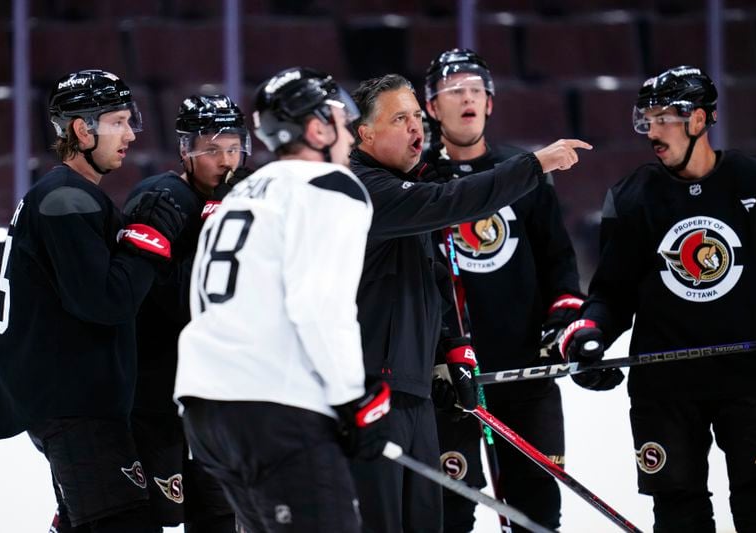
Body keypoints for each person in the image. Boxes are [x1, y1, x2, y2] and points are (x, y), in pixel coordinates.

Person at [349, 72, 591, 533]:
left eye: (416, 117)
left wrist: (451, 345)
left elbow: (430, 277)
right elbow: (450, 201)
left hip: (414, 388)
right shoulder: (363, 188)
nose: (416, 128)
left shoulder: (402, 184)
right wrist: (534, 165)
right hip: (376, 392)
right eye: (400, 119)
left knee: (428, 521)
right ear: (365, 133)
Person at [559, 65, 756, 532]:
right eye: (648, 119)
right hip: (665, 387)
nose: (653, 131)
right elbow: (612, 294)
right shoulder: (632, 197)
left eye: (664, 118)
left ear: (699, 120)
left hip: (754, 380)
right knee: (679, 513)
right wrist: (590, 332)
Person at [174, 67, 390, 532]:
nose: (350, 132)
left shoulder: (240, 194)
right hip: (274, 410)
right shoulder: (330, 186)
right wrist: (354, 399)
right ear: (316, 128)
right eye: (340, 116)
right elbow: (319, 304)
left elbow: (203, 301)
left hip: (206, 410)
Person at [0, 69, 186, 532]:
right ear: (82, 129)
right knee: (126, 521)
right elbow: (105, 302)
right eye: (118, 121)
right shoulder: (66, 201)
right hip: (76, 406)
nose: (131, 133)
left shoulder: (66, 195)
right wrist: (147, 241)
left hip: (72, 401)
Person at [422, 48, 584, 532]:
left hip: (524, 372)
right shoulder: (419, 181)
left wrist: (563, 319)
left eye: (475, 90)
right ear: (433, 107)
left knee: (535, 511)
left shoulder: (525, 171)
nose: (466, 98)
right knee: (449, 512)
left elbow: (558, 260)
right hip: (447, 379)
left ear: (489, 103)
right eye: (454, 91)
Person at [124, 94, 249, 530]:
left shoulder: (247, 200)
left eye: (232, 148)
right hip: (155, 391)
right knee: (149, 513)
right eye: (212, 149)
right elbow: (167, 298)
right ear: (184, 149)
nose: (225, 161)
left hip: (218, 396)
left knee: (220, 513)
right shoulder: (161, 197)